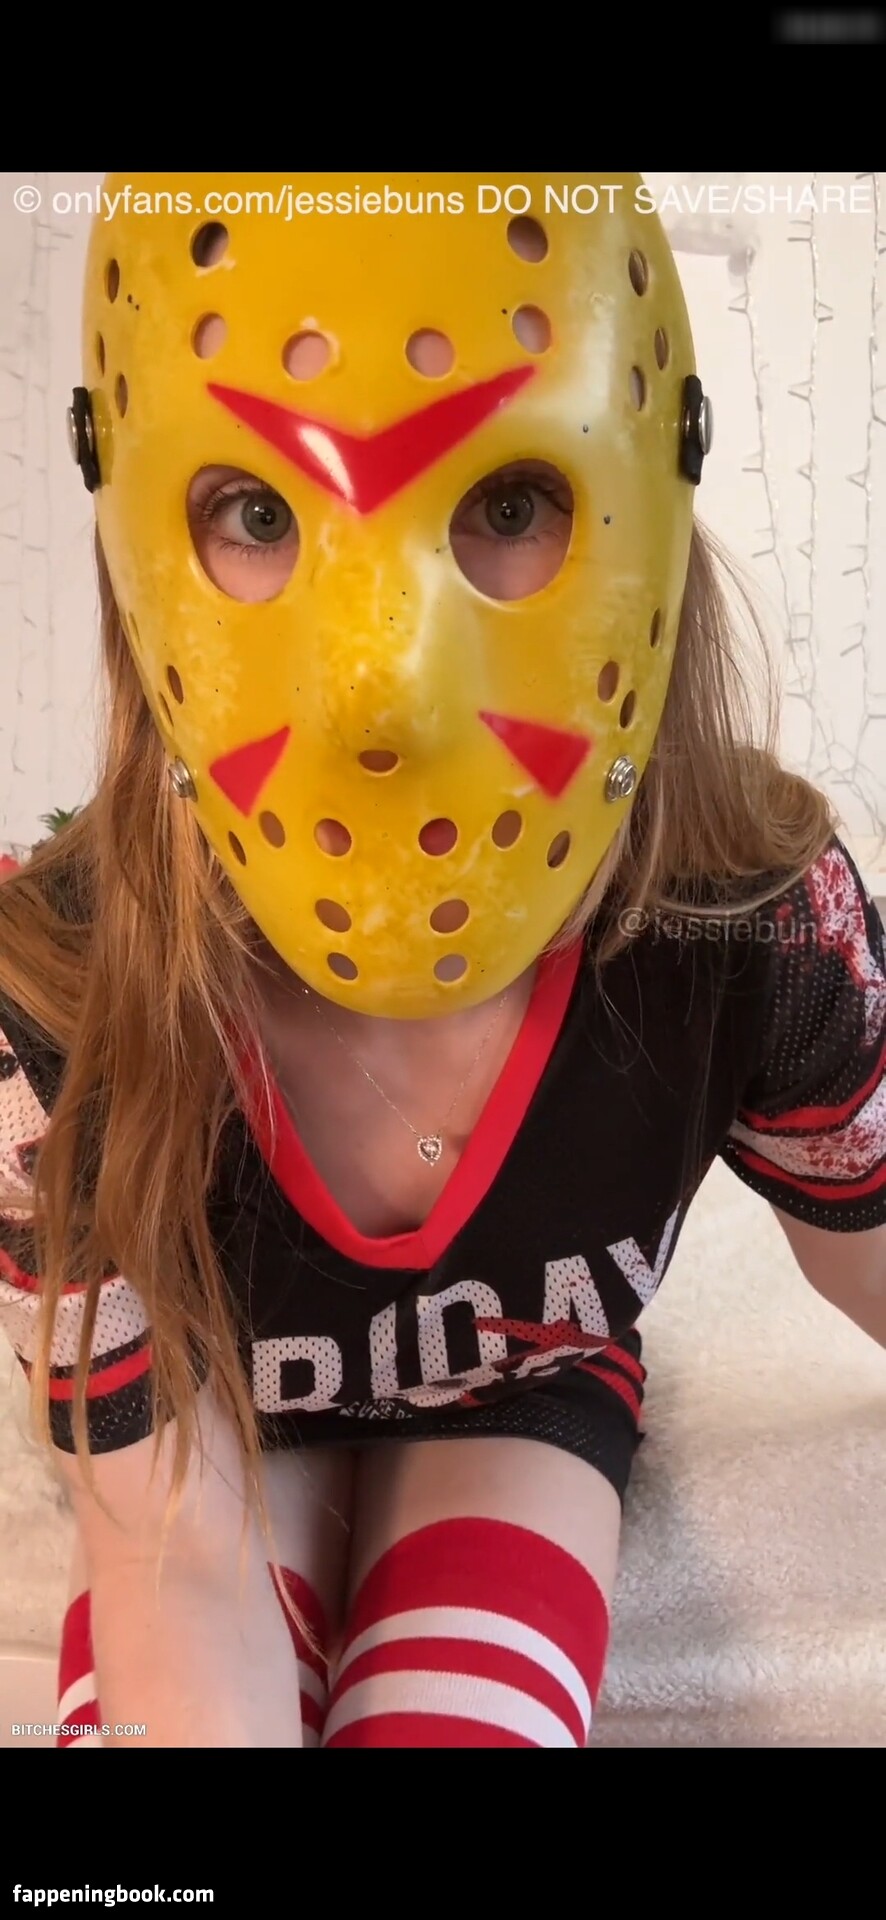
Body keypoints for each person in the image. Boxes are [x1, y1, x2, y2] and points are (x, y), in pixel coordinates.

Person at [0, 171, 884, 1751]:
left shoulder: (750, 927)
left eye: (508, 502)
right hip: (205, 1435)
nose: (382, 687)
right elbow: (170, 1560)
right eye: (258, 512)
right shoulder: (56, 995)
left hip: (515, 1399)